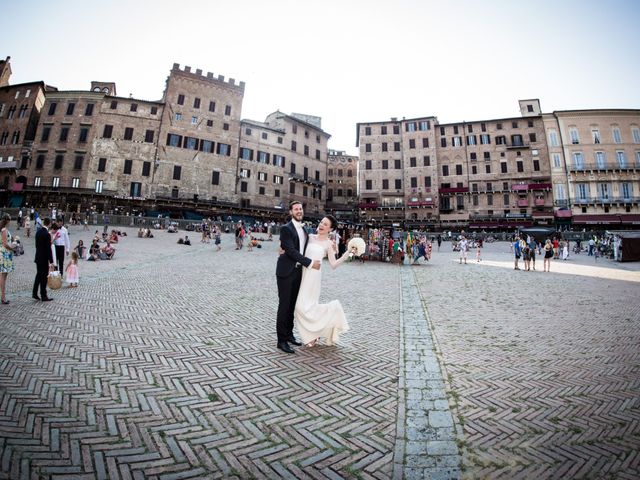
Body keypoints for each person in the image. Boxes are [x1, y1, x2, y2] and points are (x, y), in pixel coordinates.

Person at [294, 215, 351, 348]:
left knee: (306, 306)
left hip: (314, 277)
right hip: (302, 273)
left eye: (325, 224)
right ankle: (314, 333)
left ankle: (315, 333)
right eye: (321, 222)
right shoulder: (309, 237)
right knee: (300, 307)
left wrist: (347, 253)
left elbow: (333, 264)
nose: (321, 225)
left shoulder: (329, 244)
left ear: (330, 229)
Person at [275, 201, 321, 354]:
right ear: (290, 212)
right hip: (286, 271)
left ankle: (289, 335)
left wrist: (331, 244)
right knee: (284, 306)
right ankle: (281, 341)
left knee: (292, 305)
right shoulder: (286, 229)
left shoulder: (305, 230)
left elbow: (311, 243)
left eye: (300, 209)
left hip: (298, 272)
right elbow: (291, 250)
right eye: (296, 209)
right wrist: (310, 263)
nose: (299, 211)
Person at [33, 217, 55, 301]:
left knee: (38, 275)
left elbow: (36, 245)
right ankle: (43, 295)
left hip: (38, 256)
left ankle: (34, 293)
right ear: (49, 224)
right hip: (44, 258)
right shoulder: (47, 234)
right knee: (44, 277)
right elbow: (48, 249)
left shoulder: (38, 232)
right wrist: (51, 261)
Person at [1, 214, 16, 304]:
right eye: (10, 220)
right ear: (7, 221)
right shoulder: (4, 230)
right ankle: (3, 297)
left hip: (5, 253)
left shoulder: (3, 229)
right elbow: (5, 244)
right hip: (5, 253)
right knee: (3, 276)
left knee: (3, 276)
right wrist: (13, 248)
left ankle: (2, 296)